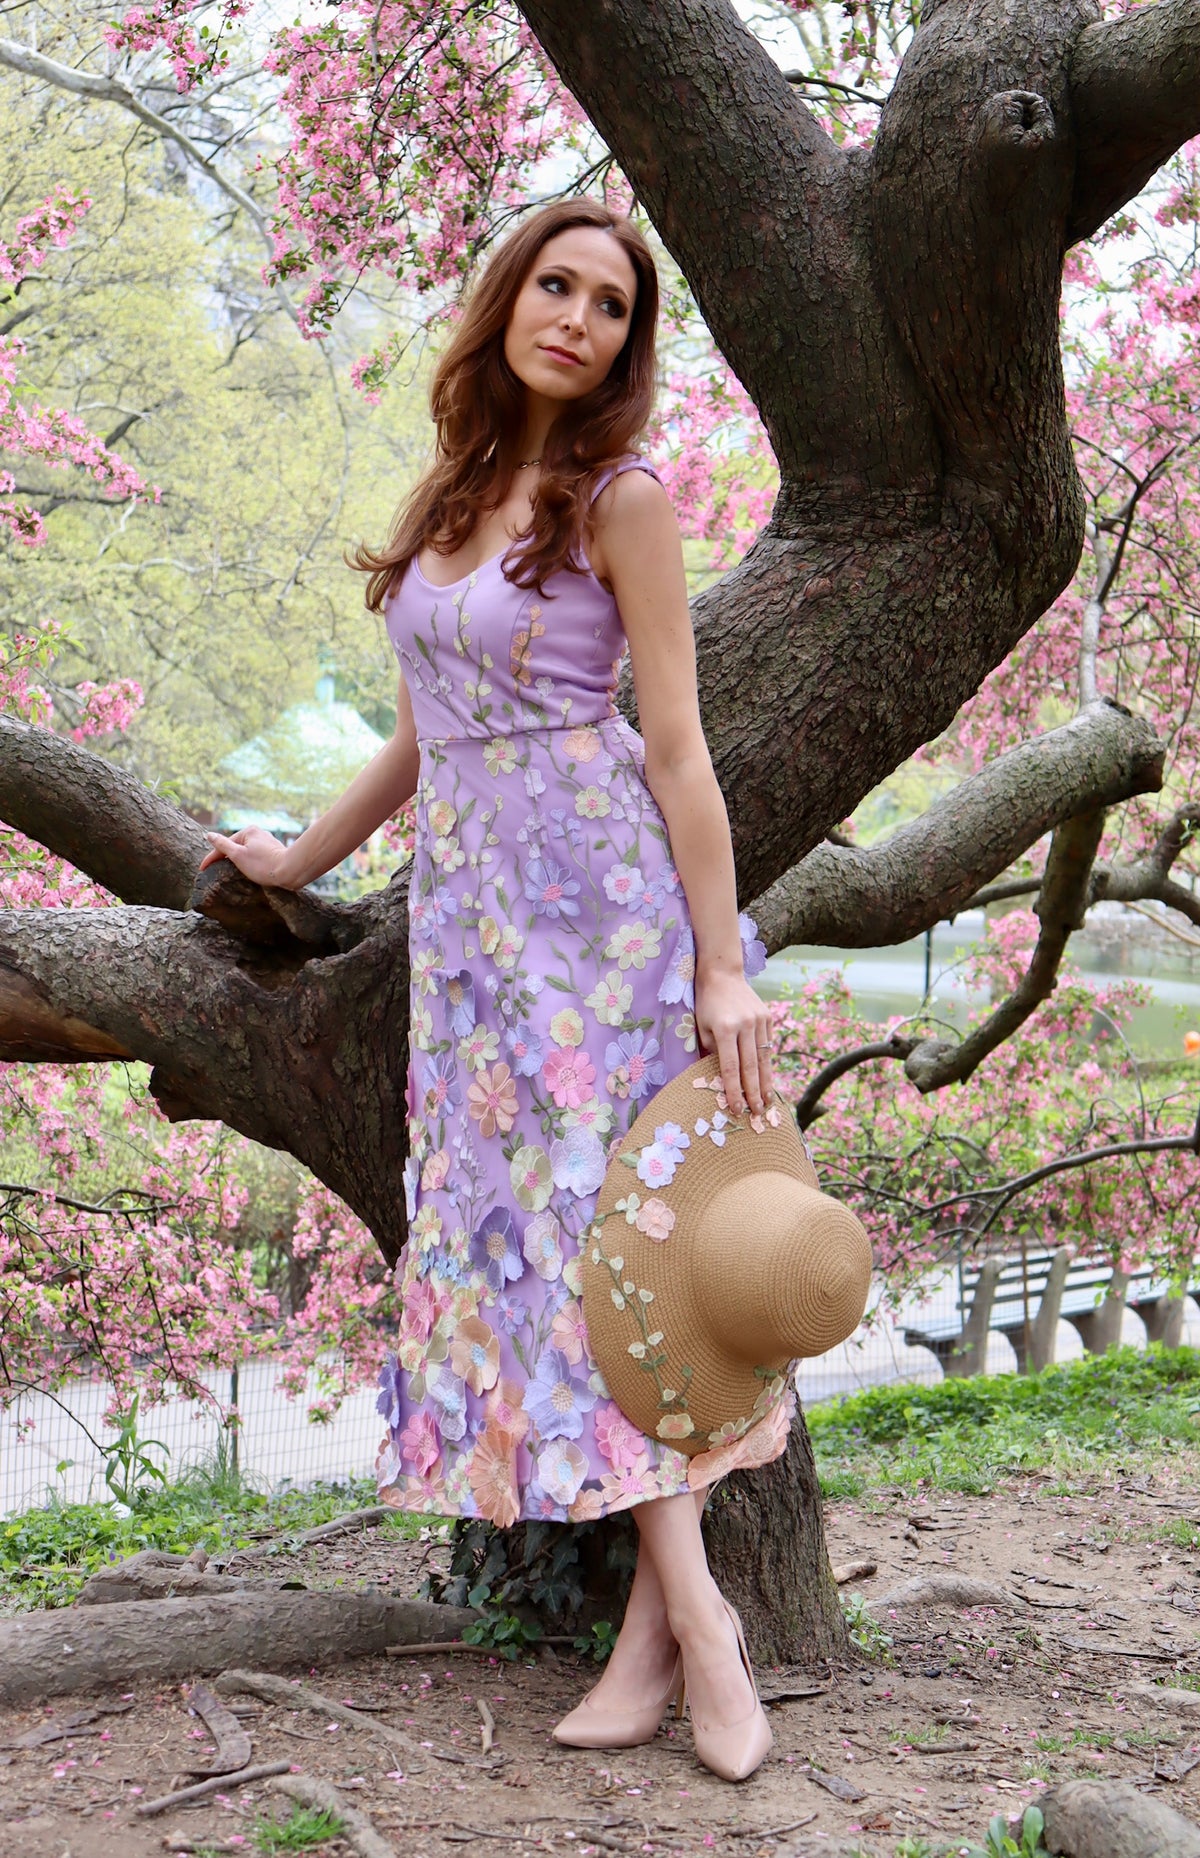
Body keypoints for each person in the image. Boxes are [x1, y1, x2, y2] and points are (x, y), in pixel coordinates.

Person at [198, 198, 789, 1782]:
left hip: (601, 926)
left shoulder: (625, 499)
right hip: (473, 942)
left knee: (619, 1262)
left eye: (611, 304)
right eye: (559, 283)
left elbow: (675, 747)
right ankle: (660, 1627)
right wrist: (294, 857)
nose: (580, 317)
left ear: (624, 345)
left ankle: (704, 1626)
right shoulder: (457, 491)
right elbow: (418, 736)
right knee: (537, 1264)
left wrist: (722, 971)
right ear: (509, 296)